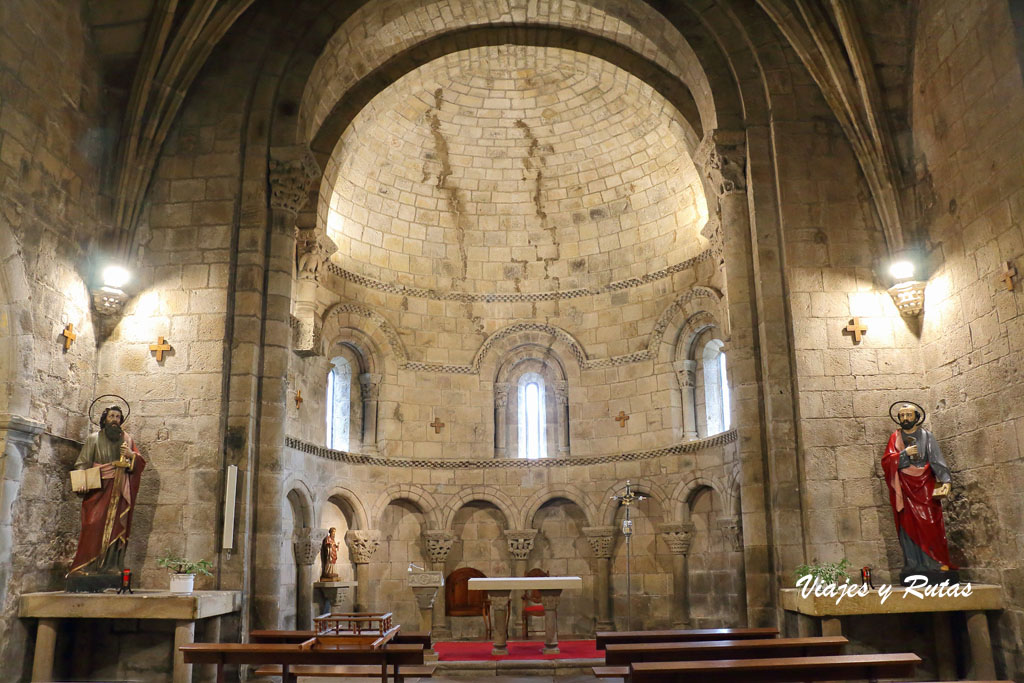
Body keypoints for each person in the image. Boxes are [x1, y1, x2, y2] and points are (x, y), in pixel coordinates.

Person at [67, 405, 146, 585]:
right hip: (98, 488)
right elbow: (82, 463)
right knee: (92, 523)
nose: (115, 419)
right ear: (105, 419)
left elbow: (139, 464)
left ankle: (112, 566)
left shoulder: (127, 439)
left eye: (118, 417)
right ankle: (84, 566)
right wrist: (82, 480)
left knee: (117, 526)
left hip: (119, 488)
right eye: (111, 416)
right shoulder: (93, 439)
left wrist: (131, 455)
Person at [881, 402, 957, 583]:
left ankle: (936, 562)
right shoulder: (895, 437)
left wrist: (946, 480)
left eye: (909, 415)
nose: (905, 419)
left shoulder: (926, 436)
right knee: (908, 526)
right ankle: (913, 564)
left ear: (916, 416)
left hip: (925, 486)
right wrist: (903, 454)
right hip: (905, 488)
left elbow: (937, 459)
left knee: (931, 522)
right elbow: (886, 462)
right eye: (902, 416)